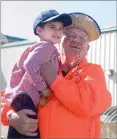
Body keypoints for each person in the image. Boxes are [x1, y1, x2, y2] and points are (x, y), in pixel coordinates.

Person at [1, 12, 112, 139]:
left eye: (83, 38)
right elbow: (13, 93)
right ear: (60, 41)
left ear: (87, 48)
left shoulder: (93, 71)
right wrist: (10, 116)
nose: (76, 40)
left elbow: (90, 103)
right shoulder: (41, 63)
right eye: (71, 35)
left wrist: (53, 79)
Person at [3, 9, 72, 139]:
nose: (57, 32)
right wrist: (44, 89)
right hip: (27, 97)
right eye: (52, 27)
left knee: (19, 132)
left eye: (60, 28)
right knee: (31, 131)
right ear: (39, 30)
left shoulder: (38, 47)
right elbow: (30, 65)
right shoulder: (47, 46)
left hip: (21, 97)